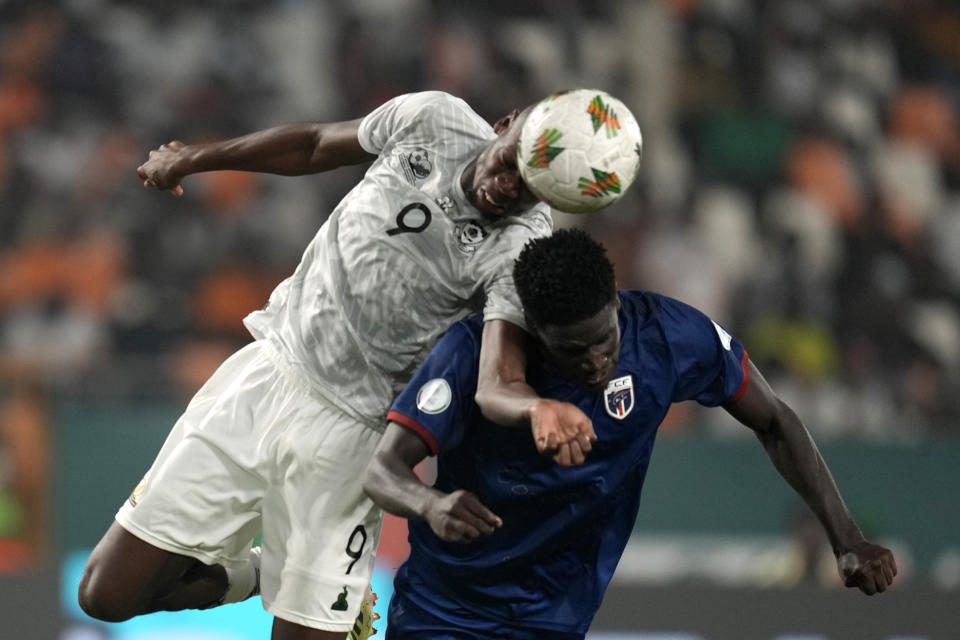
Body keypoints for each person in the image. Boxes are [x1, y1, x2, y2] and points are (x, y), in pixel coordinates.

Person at [77, 91, 599, 640]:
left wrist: (536, 407)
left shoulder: (522, 246)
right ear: (504, 124)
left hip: (354, 439)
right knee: (105, 594)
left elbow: (498, 378)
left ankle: (309, 588)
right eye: (512, 160)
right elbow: (314, 144)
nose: (511, 185)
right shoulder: (434, 117)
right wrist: (193, 158)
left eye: (532, 186)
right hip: (270, 372)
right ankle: (255, 575)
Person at [364, 228, 898, 639]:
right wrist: (430, 504)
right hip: (448, 608)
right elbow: (383, 469)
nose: (597, 362)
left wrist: (846, 539)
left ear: (618, 302)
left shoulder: (669, 336)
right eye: (572, 350)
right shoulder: (470, 354)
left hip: (559, 614)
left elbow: (776, 420)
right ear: (532, 328)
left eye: (604, 338)